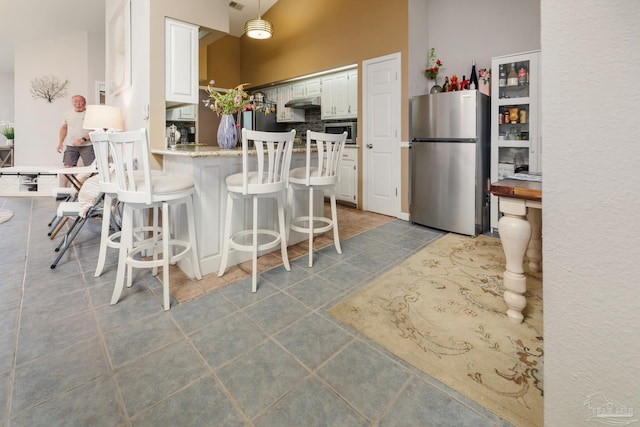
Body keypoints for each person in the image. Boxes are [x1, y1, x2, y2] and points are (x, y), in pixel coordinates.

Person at [57, 95, 93, 187]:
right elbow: (64, 128)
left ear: (85, 103)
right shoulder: (67, 113)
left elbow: (95, 130)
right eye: (75, 101)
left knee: (91, 168)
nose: (78, 103)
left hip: (87, 145)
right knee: (67, 167)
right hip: (71, 145)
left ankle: (91, 188)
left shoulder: (90, 113)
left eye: (80, 101)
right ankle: (63, 189)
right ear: (72, 103)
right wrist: (60, 142)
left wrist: (83, 139)